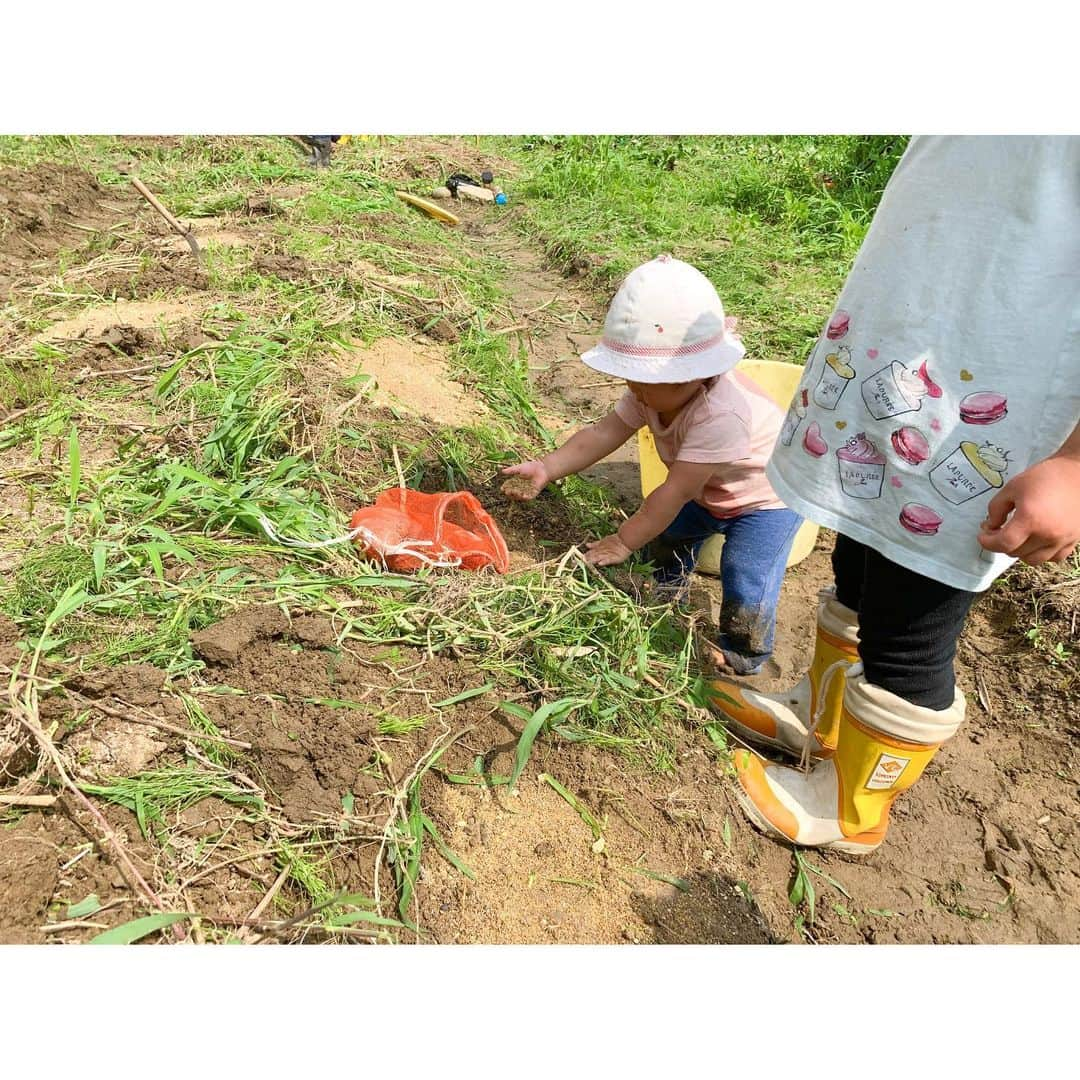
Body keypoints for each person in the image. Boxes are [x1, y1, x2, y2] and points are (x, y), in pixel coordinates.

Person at [707, 136, 1080, 854]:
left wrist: (1074, 463)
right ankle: (823, 724)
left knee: (912, 615)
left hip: (1000, 386)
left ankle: (851, 808)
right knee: (861, 547)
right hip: (913, 342)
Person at [502, 255, 803, 675]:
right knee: (671, 540)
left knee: (746, 574)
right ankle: (667, 592)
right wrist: (547, 467)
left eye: (642, 383)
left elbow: (673, 492)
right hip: (706, 488)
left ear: (688, 377)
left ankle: (744, 653)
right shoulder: (653, 390)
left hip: (764, 501)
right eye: (631, 380)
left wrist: (623, 541)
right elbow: (604, 432)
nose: (634, 392)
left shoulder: (721, 415)